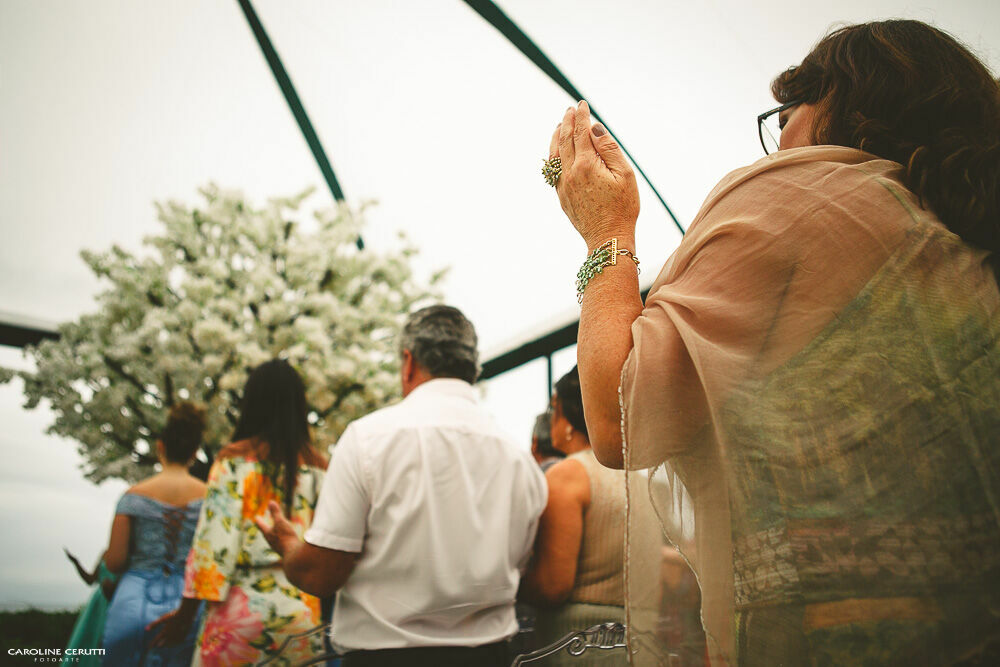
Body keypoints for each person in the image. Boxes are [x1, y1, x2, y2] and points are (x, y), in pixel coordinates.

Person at [544, 19, 1000, 666]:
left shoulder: (802, 192)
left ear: (846, 106)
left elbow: (620, 421)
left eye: (787, 111)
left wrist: (605, 233)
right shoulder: (951, 231)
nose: (776, 141)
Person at [256, 304, 548, 667]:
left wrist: (286, 543)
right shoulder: (520, 459)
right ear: (471, 370)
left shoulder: (368, 439)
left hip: (385, 658)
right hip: (490, 657)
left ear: (408, 362)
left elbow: (320, 574)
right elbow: (521, 568)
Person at [148, 359, 329, 666]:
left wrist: (184, 617)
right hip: (302, 613)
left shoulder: (233, 461)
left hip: (238, 613)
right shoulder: (320, 466)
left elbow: (212, 551)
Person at [520, 366, 625, 665]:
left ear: (566, 422)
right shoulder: (636, 475)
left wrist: (507, 583)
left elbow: (553, 586)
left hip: (576, 644)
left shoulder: (569, 475)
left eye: (554, 409)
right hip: (637, 641)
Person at [101, 402, 208, 666]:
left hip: (132, 603)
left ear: (160, 446)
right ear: (194, 451)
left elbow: (114, 561)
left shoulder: (132, 497)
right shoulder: (211, 497)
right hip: (190, 607)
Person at [62, 549, 117, 667]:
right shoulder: (105, 553)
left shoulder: (131, 553)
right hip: (98, 604)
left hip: (115, 603)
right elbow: (90, 580)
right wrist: (76, 562)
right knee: (89, 640)